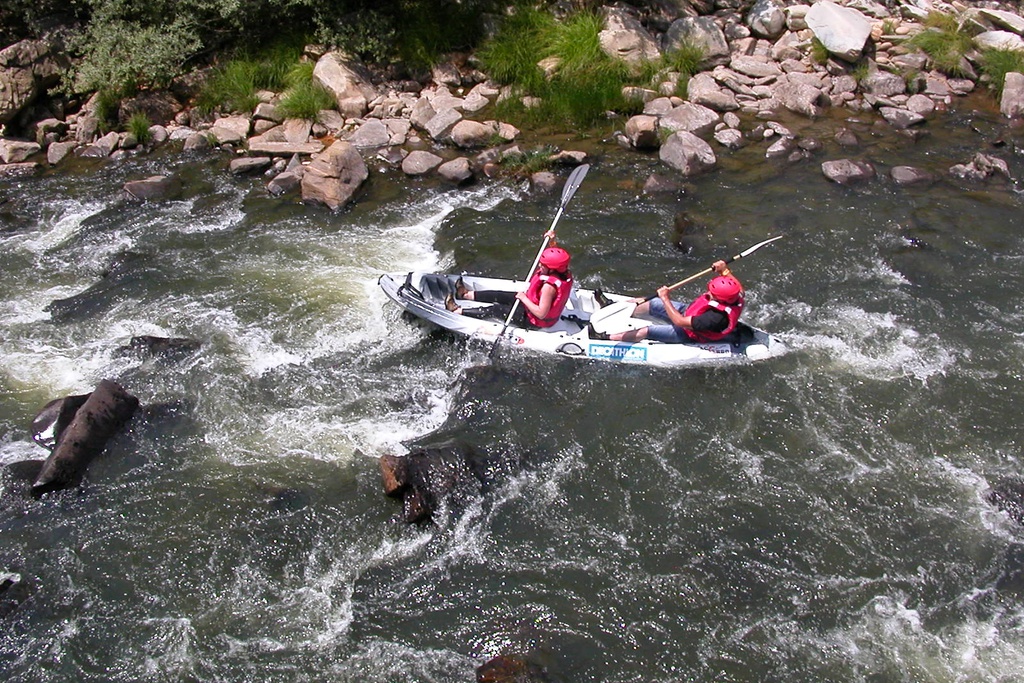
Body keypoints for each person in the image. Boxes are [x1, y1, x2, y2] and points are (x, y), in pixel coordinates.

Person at [589, 260, 743, 343]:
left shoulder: (714, 319)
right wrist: (724, 270)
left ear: (721, 298)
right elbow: (737, 286)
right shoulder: (737, 295)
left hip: (688, 332)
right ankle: (612, 306)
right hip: (689, 312)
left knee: (646, 331)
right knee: (651, 303)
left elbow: (680, 322)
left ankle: (603, 337)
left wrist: (665, 298)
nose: (708, 292)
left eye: (712, 293)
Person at [445, 245, 574, 329]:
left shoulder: (549, 287)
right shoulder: (561, 272)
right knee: (500, 295)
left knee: (496, 309)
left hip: (533, 320)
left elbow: (541, 313)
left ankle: (457, 311)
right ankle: (466, 294)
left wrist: (524, 298)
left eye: (543, 265)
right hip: (531, 305)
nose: (540, 266)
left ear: (553, 269)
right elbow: (556, 255)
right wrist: (551, 239)